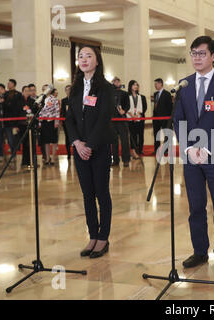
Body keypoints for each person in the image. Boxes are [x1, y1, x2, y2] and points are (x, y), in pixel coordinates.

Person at [174, 36, 214, 271]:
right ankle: (199, 251)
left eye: (202, 53)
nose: (197, 58)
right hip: (192, 157)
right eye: (193, 53)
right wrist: (190, 148)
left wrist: (207, 148)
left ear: (213, 56)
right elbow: (178, 119)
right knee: (196, 206)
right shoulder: (184, 84)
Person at [65, 45, 115, 259]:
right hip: (80, 148)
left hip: (100, 147)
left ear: (97, 60)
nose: (84, 59)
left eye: (88, 56)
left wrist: (90, 145)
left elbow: (104, 119)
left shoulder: (105, 87)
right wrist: (77, 142)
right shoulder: (75, 88)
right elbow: (70, 119)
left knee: (101, 192)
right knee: (87, 194)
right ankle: (92, 235)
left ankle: (103, 237)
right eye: (80, 56)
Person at [111, 77, 130, 167]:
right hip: (112, 120)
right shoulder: (109, 94)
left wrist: (124, 111)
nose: (117, 82)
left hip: (122, 119)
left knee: (124, 140)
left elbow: (128, 105)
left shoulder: (125, 93)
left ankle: (126, 160)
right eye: (115, 81)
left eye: (118, 81)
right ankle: (115, 160)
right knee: (114, 141)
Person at [126, 80, 147, 158]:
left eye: (137, 85)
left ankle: (140, 150)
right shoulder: (127, 96)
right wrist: (132, 115)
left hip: (140, 118)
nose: (136, 86)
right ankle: (133, 151)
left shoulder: (142, 97)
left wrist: (138, 114)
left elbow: (144, 108)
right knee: (133, 135)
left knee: (140, 135)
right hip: (130, 118)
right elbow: (125, 107)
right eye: (134, 85)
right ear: (130, 86)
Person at [39, 88, 60, 165]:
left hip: (52, 121)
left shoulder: (54, 99)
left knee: (54, 141)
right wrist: (39, 122)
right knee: (46, 141)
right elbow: (40, 111)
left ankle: (53, 158)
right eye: (44, 89)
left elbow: (57, 111)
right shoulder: (41, 98)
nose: (45, 90)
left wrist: (56, 121)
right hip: (44, 121)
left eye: (47, 89)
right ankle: (47, 158)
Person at [153, 78, 173, 154]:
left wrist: (169, 119)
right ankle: (157, 148)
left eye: (156, 84)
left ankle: (166, 149)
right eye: (154, 84)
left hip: (165, 118)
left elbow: (170, 107)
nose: (155, 85)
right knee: (156, 134)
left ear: (161, 84)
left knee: (166, 134)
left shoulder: (167, 94)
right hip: (156, 118)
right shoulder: (155, 94)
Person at [61, 85, 72, 159]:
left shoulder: (75, 98)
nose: (68, 91)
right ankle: (68, 154)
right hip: (66, 122)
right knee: (67, 138)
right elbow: (62, 111)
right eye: (67, 90)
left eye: (69, 89)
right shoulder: (64, 100)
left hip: (75, 122)